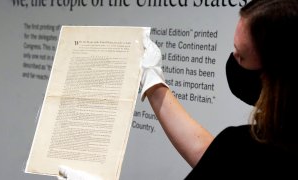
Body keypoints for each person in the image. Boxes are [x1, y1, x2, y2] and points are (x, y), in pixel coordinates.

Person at [57, 0, 298, 179]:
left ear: (273, 77)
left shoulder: (254, 149)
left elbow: (232, 160)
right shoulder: (255, 146)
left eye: (242, 56)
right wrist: (153, 82)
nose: (233, 58)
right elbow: (221, 161)